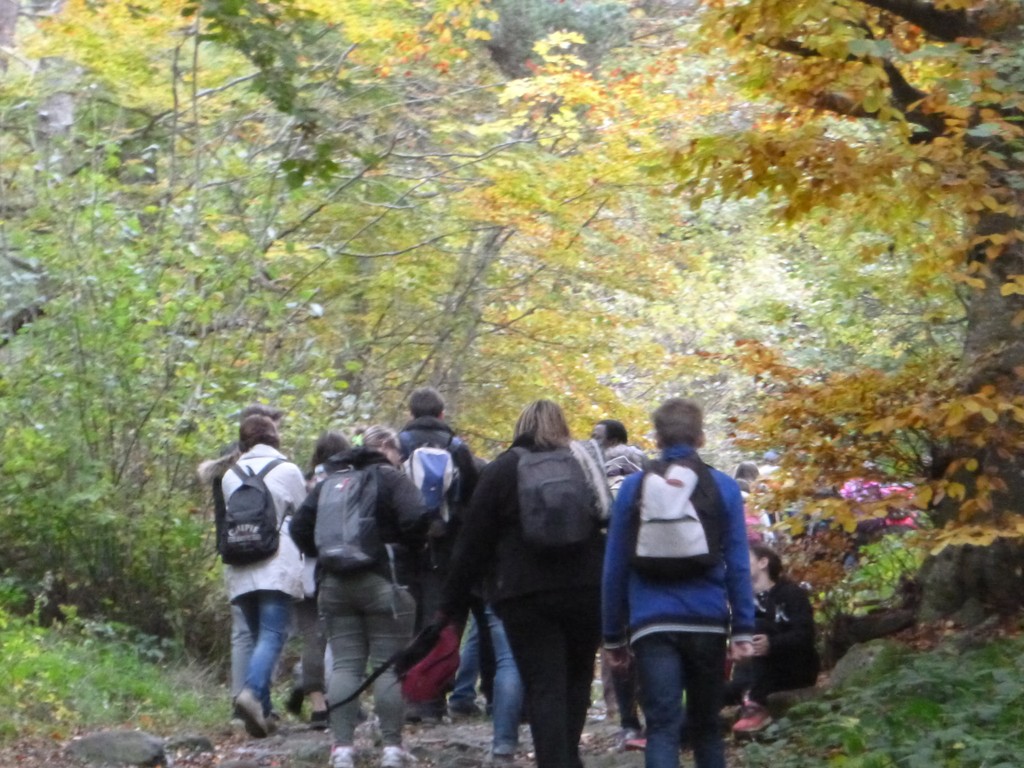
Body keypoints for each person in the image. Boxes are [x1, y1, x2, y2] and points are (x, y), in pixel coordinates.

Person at [441, 399, 605, 768]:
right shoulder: (583, 462)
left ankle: (554, 761)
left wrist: (449, 603)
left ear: (521, 426)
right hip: (586, 590)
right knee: (577, 678)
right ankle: (570, 757)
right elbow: (606, 516)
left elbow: (473, 541)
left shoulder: (503, 468)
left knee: (544, 684)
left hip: (524, 594)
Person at [602, 397, 755, 768]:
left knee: (662, 728)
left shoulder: (634, 488)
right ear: (701, 438)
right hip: (707, 620)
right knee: (706, 728)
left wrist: (612, 636)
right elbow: (738, 562)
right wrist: (743, 630)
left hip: (651, 623)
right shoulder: (723, 487)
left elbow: (614, 566)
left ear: (657, 438)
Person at [290, 425, 430, 768]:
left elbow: (298, 528)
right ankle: (393, 749)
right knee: (386, 665)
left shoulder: (329, 483)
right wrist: (406, 548)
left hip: (334, 584)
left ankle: (342, 749)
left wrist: (324, 553)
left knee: (345, 665)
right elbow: (416, 519)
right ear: (385, 451)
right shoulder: (391, 478)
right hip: (384, 581)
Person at [221, 414, 308, 738]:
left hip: (240, 562)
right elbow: (303, 513)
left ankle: (265, 713)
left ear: (244, 441)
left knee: (259, 637)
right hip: (276, 561)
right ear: (275, 439)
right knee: (273, 634)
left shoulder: (231, 474)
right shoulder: (287, 470)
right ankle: (253, 692)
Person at [398, 386, 480, 722]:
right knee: (443, 622)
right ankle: (432, 698)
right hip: (447, 550)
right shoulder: (457, 448)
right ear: (443, 414)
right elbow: (475, 498)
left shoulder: (397, 445)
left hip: (405, 550)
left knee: (408, 622)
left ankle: (406, 695)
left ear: (411, 413)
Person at [198, 404, 285, 713]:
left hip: (232, 549)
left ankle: (241, 701)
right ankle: (256, 698)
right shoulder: (271, 463)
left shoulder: (227, 462)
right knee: (269, 632)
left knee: (243, 633)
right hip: (266, 551)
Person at [286, 430, 352, 729]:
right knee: (346, 637)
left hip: (308, 568)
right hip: (345, 566)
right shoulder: (354, 480)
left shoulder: (306, 480)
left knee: (312, 637)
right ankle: (346, 699)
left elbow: (296, 524)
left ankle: (317, 705)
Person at [590, 419, 646, 749]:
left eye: (597, 436)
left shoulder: (597, 471)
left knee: (617, 643)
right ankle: (648, 718)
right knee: (645, 644)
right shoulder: (651, 470)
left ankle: (627, 721)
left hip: (612, 565)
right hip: (650, 568)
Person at [728, 543, 820, 734]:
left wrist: (772, 644)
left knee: (758, 626)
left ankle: (757, 702)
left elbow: (805, 635)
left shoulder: (791, 594)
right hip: (754, 672)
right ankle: (664, 728)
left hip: (794, 667)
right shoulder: (743, 603)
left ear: (763, 562)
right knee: (714, 693)